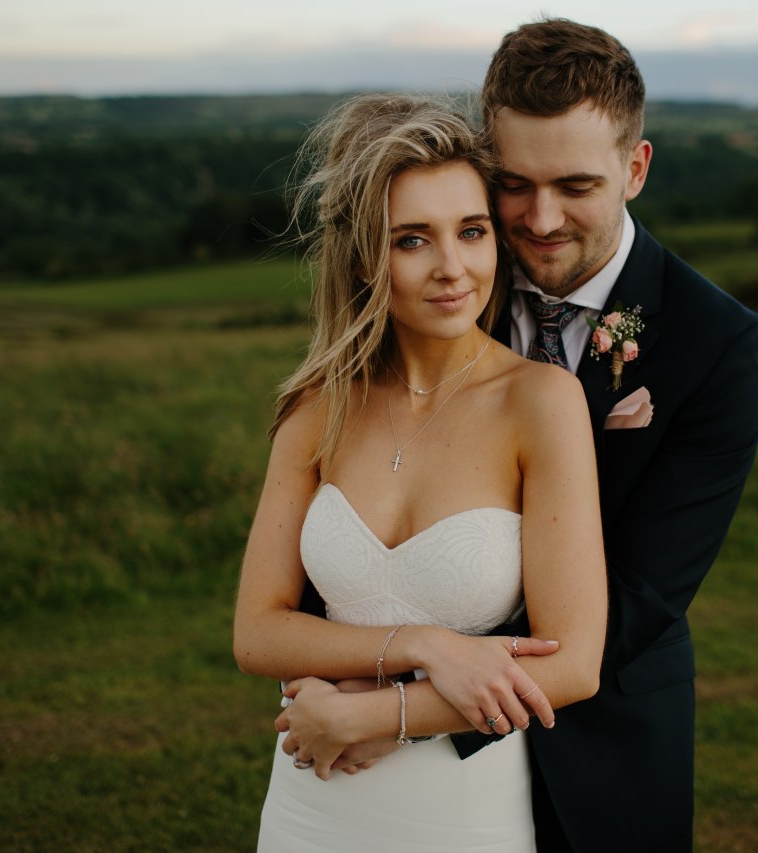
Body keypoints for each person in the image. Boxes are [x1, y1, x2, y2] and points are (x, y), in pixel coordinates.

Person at [232, 93, 607, 852]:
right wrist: (427, 643)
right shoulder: (317, 407)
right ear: (367, 255)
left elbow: (573, 663)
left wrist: (377, 713)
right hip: (313, 800)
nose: (452, 268)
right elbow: (256, 631)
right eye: (412, 240)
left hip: (462, 809)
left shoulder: (541, 401)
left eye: (471, 232)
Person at [446, 18, 758, 851]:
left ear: (636, 168)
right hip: (414, 773)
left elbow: (644, 594)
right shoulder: (444, 289)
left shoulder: (718, 343)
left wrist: (419, 704)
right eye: (513, 182)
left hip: (602, 743)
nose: (541, 218)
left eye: (576, 185)